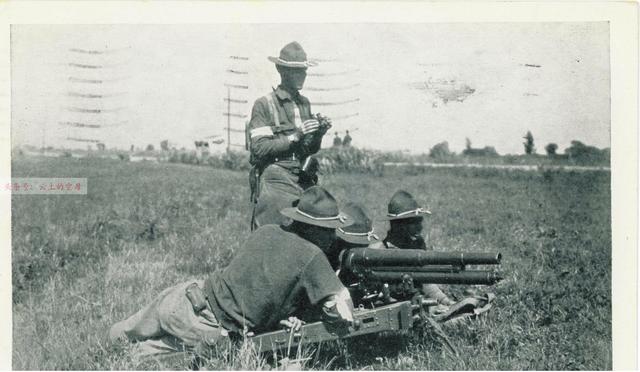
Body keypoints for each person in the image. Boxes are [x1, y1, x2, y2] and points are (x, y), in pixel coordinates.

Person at [108, 186, 355, 360]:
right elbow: (343, 313)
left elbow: (259, 286)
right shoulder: (312, 256)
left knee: (117, 337)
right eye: (329, 230)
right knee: (138, 359)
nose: (333, 236)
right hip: (206, 327)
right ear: (315, 229)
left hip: (185, 295)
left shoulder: (267, 230)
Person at [247, 41, 331, 231]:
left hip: (303, 175)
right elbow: (259, 148)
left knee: (317, 228)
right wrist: (296, 135)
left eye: (304, 71)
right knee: (276, 231)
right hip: (276, 174)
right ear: (281, 70)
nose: (303, 76)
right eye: (296, 71)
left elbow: (309, 148)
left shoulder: (304, 103)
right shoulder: (264, 104)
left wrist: (319, 134)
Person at [372, 190, 455, 307]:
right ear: (398, 225)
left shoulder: (417, 244)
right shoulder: (378, 253)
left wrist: (445, 301)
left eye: (420, 221)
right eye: (414, 222)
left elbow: (425, 279)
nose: (420, 227)